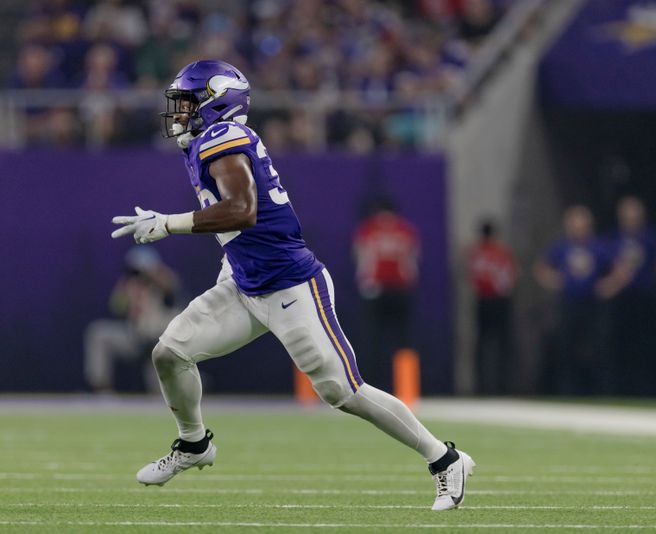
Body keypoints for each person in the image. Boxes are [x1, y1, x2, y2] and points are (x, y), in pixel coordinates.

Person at [110, 60, 474, 511]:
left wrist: (168, 224)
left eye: (187, 102)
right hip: (244, 281)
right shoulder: (207, 141)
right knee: (169, 352)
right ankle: (193, 444)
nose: (179, 112)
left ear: (215, 100)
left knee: (345, 392)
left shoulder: (223, 139)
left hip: (291, 286)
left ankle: (445, 459)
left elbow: (242, 210)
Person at [534, 206, 611, 394]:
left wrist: (606, 286)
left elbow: (620, 269)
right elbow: (541, 269)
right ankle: (568, 390)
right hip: (568, 303)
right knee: (567, 347)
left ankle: (598, 390)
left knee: (595, 347)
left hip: (592, 304)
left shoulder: (598, 246)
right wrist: (556, 281)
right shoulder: (562, 247)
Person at [84, 246, 180, 394]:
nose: (140, 274)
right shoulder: (130, 285)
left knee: (161, 391)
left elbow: (172, 290)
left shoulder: (164, 281)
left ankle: (186, 387)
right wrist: (125, 286)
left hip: (161, 340)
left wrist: (153, 274)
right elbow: (117, 307)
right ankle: (102, 389)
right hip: (135, 338)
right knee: (98, 333)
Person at [352, 196, 420, 389]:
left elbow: (360, 257)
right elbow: (414, 260)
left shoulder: (368, 229)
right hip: (401, 289)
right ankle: (406, 386)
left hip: (375, 290)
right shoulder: (405, 230)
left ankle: (371, 385)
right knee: (403, 338)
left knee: (372, 338)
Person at [596, 196, 656, 395]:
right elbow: (603, 266)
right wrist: (611, 283)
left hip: (646, 298)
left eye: (635, 211)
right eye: (627, 212)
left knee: (646, 344)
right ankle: (616, 389)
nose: (631, 216)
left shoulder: (650, 237)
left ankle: (646, 389)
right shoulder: (611, 239)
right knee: (617, 344)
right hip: (620, 299)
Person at [467, 220, 517, 394]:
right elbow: (509, 278)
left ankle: (482, 386)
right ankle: (503, 386)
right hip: (499, 301)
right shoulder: (502, 252)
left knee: (482, 344)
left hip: (483, 301)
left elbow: (471, 277)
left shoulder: (475, 253)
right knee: (502, 343)